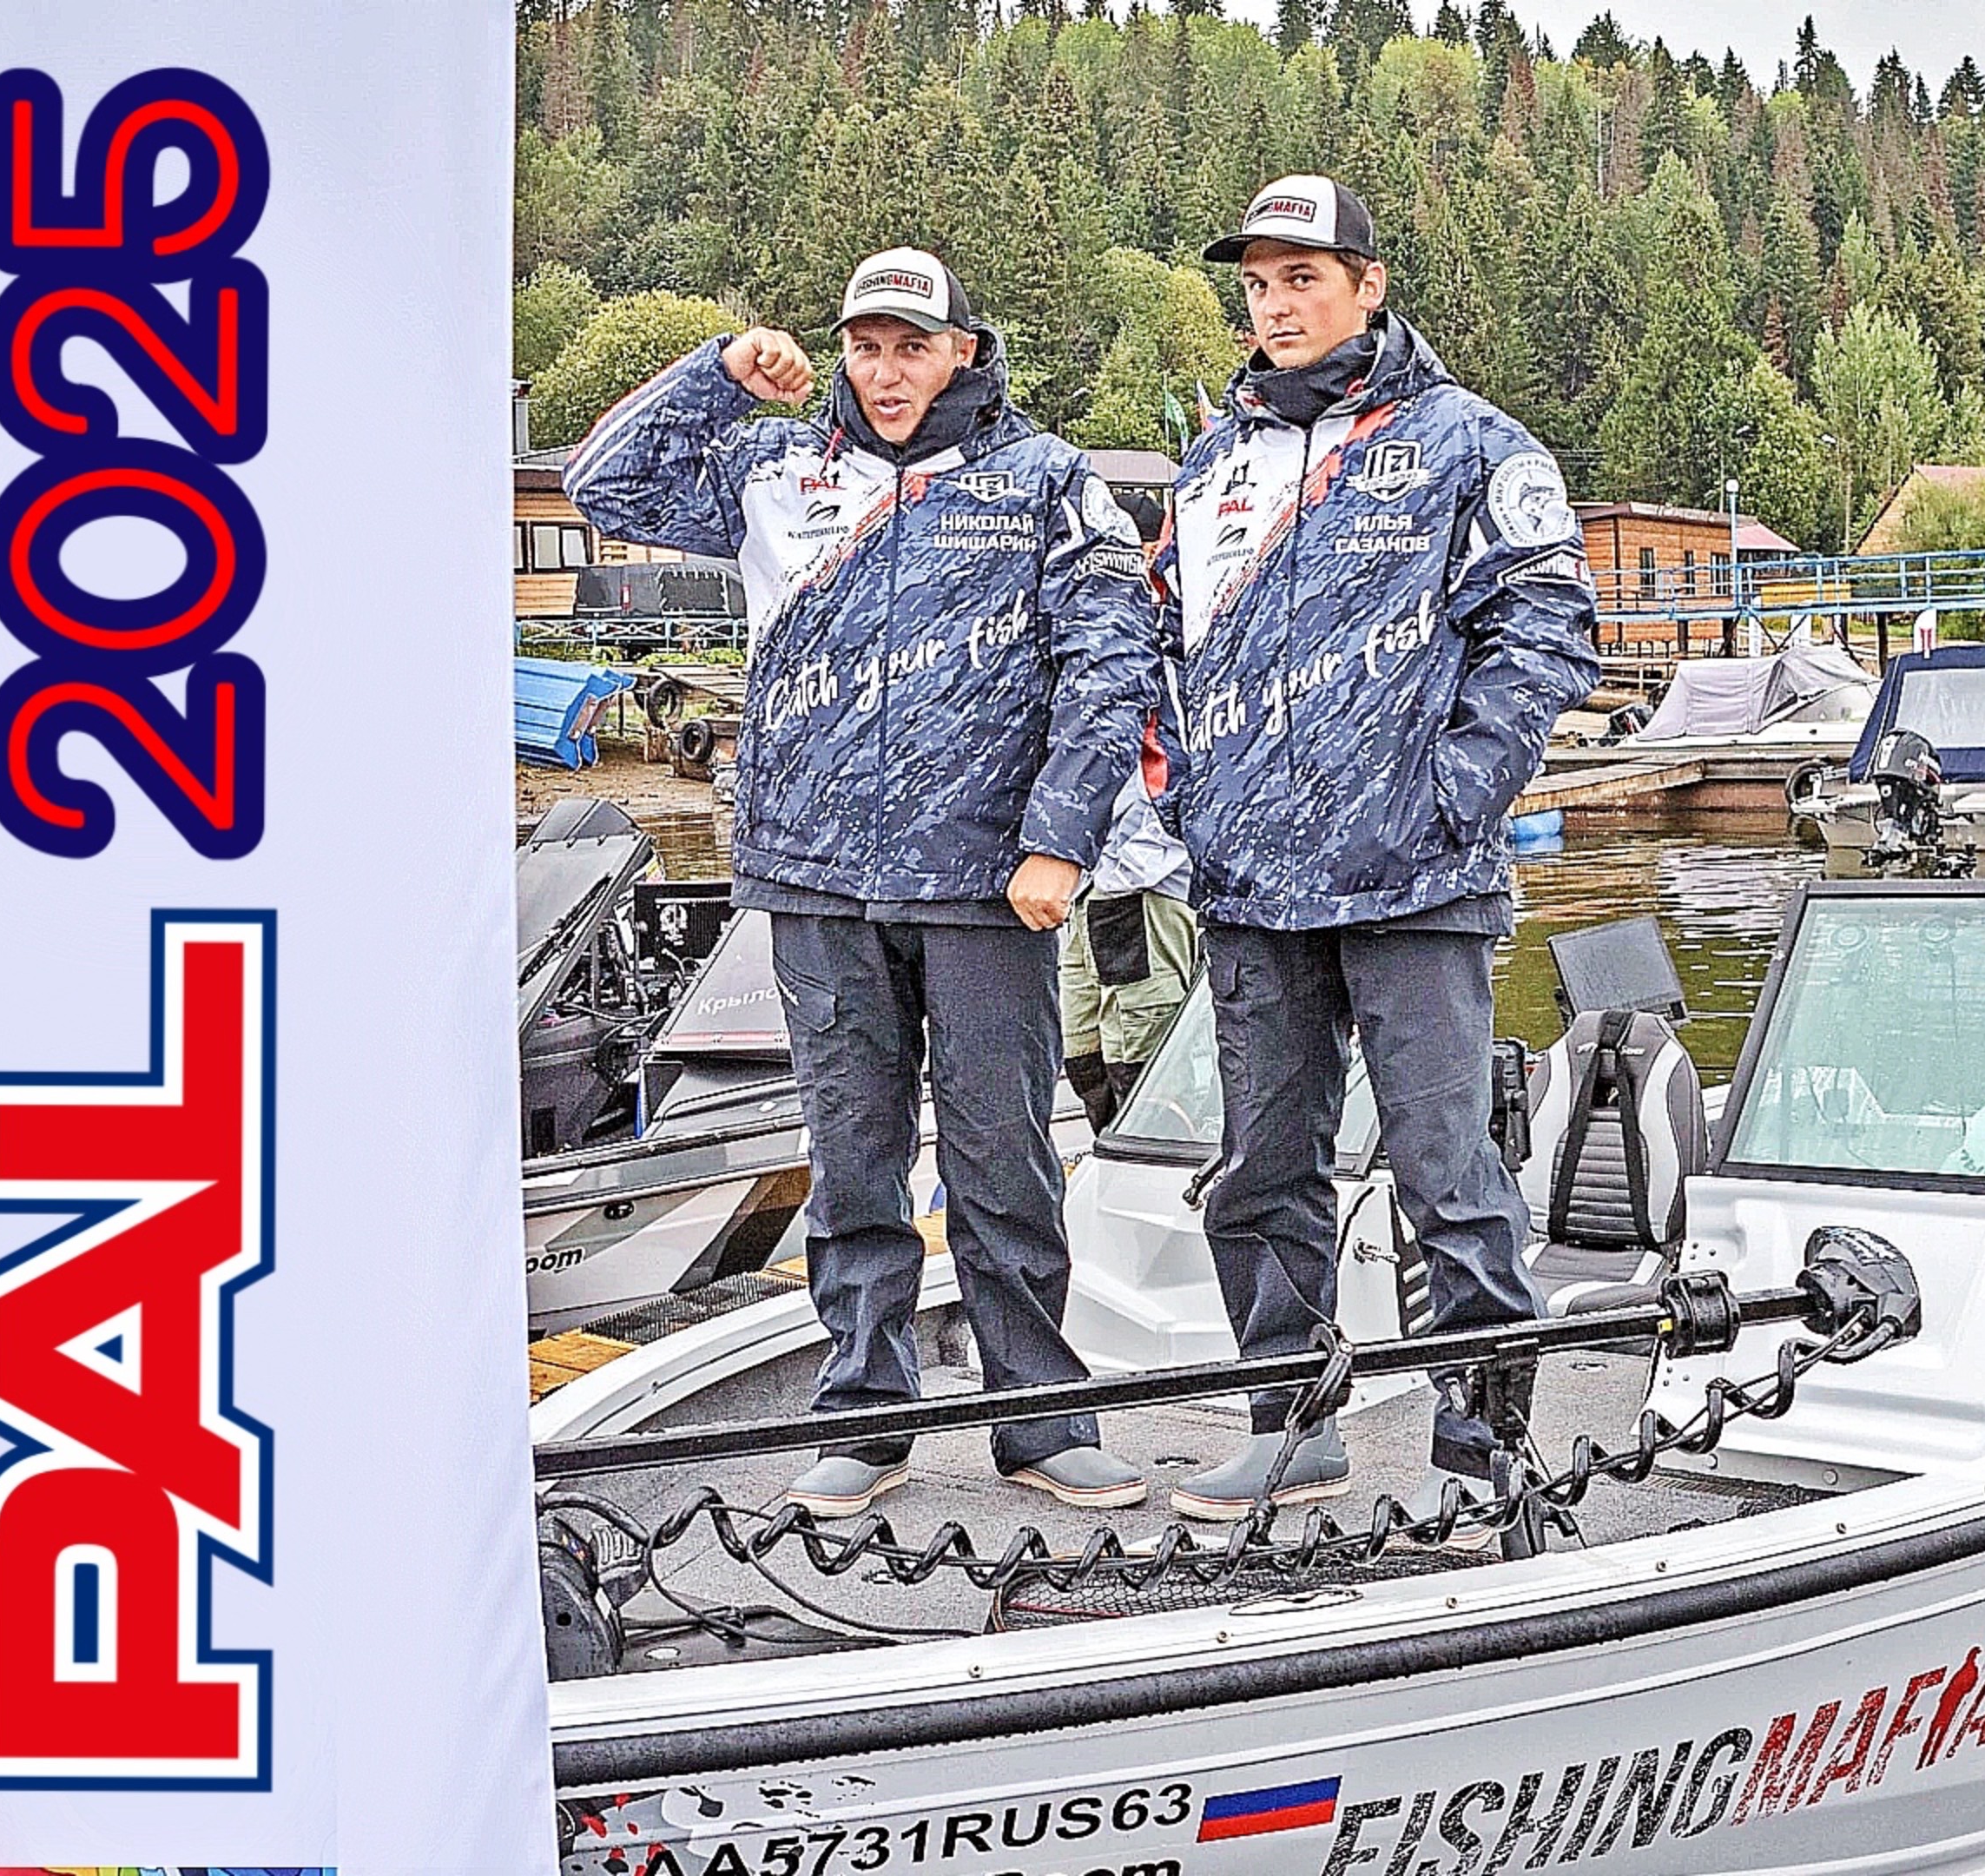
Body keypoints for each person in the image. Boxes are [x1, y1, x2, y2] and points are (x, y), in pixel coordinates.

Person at [567, 248, 1158, 1517]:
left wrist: (1061, 837)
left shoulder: (1047, 482)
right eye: (866, 347)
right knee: (851, 1158)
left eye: (912, 347)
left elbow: (1114, 665)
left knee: (1004, 1159)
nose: (887, 373)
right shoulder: (778, 466)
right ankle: (866, 1416)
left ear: (963, 351)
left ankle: (1041, 1422)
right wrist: (718, 375)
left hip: (986, 882)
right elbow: (600, 482)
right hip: (815, 876)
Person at [1152, 176, 1600, 1523]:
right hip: (1251, 892)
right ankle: (1290, 1423)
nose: (1277, 305)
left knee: (1447, 1172)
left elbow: (1546, 628)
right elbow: (1159, 650)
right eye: (1258, 284)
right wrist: (1186, 803)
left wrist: (1454, 794)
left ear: (1369, 282)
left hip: (1416, 883)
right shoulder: (1211, 470)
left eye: (1304, 277)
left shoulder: (1472, 444)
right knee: (1259, 1174)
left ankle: (1487, 1448)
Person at [1059, 744, 1198, 1129]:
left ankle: (1159, 1165)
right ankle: (1110, 1158)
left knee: (1145, 1069)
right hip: (1088, 885)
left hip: (1143, 889)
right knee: (1084, 1057)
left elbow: (1177, 764)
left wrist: (1129, 871)